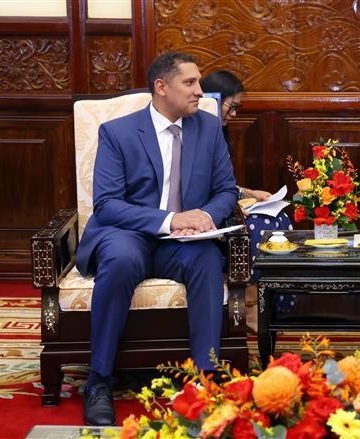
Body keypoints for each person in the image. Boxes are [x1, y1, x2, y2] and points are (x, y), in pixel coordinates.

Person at [76, 52, 238, 426]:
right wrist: (170, 219)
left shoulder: (208, 128)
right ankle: (99, 380)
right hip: (128, 235)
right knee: (120, 260)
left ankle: (205, 381)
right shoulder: (117, 133)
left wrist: (205, 217)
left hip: (182, 244)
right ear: (161, 87)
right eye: (191, 83)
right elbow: (108, 204)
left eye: (199, 82)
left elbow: (226, 190)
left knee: (208, 258)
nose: (201, 91)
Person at [200, 71, 294, 331]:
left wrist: (249, 193)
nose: (235, 114)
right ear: (211, 100)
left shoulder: (220, 134)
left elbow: (221, 183)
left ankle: (272, 302)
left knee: (279, 219)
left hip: (222, 202)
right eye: (232, 107)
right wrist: (242, 198)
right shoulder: (195, 132)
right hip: (204, 213)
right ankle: (250, 302)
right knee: (261, 227)